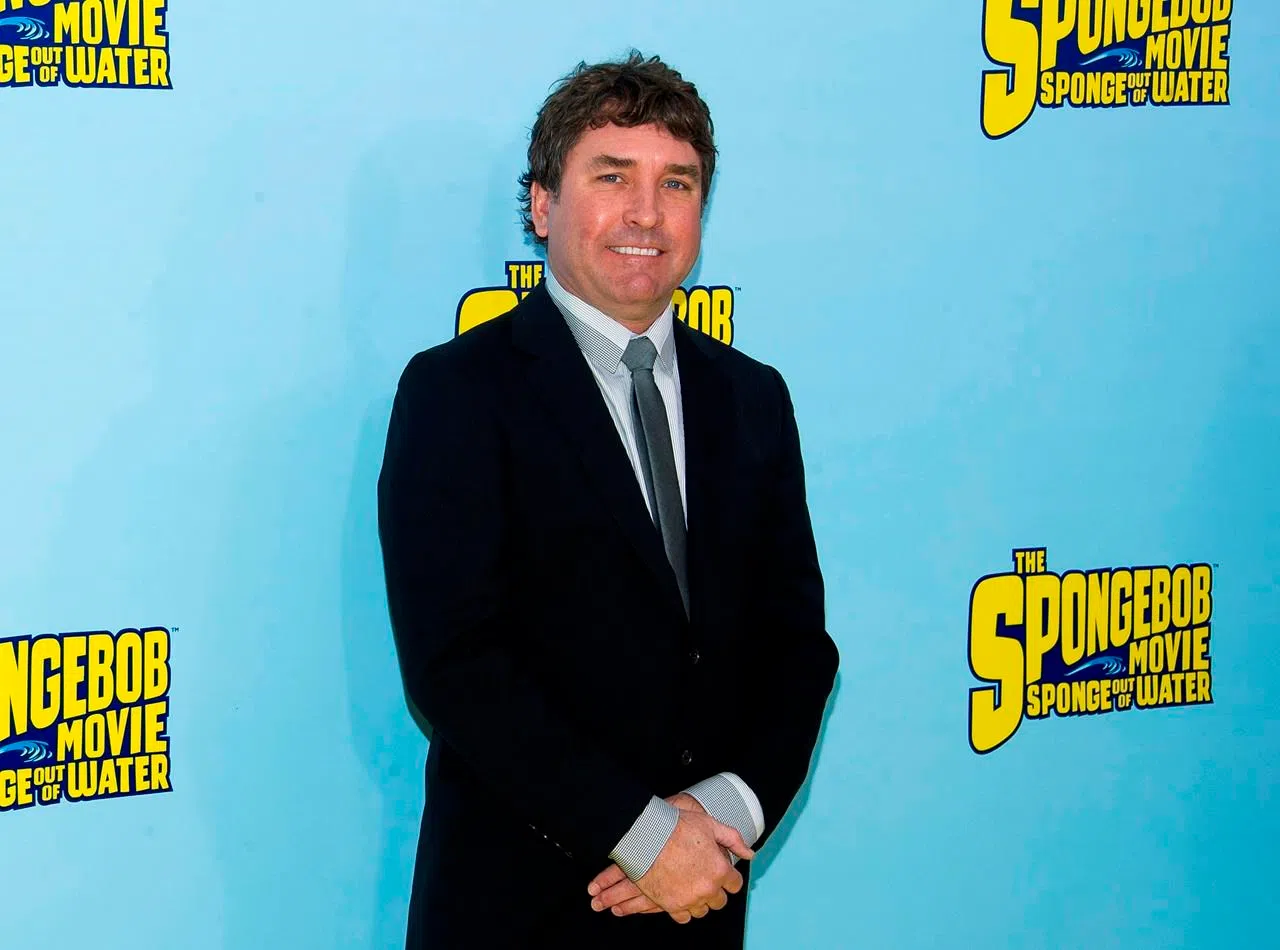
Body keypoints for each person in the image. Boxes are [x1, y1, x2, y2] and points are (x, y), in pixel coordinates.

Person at [377, 51, 839, 948]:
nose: (645, 213)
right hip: (520, 912)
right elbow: (456, 664)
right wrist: (644, 835)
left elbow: (798, 645)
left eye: (677, 183)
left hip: (701, 901)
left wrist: (721, 816)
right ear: (543, 204)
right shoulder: (457, 392)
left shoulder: (753, 397)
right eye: (612, 176)